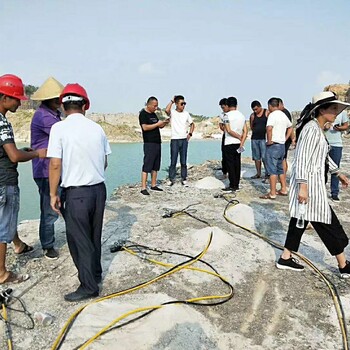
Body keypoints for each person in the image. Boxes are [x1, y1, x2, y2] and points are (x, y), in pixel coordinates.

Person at [48, 83, 111, 301]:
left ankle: (88, 286)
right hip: (98, 190)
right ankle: (95, 274)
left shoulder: (59, 128)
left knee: (79, 240)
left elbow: (55, 164)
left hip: (76, 193)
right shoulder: (97, 128)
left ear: (63, 107)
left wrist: (53, 194)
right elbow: (104, 162)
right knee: (94, 235)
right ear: (85, 106)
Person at [276, 91, 350, 277]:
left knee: (299, 222)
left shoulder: (317, 129)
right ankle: (343, 266)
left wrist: (337, 173)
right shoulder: (311, 129)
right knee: (328, 223)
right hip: (309, 187)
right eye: (333, 108)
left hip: (312, 184)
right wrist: (302, 187)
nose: (336, 112)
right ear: (321, 110)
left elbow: (322, 156)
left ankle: (285, 258)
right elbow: (301, 160)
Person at [0, 74, 47, 284]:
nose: (19, 102)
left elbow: (8, 151)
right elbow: (14, 157)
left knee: (6, 218)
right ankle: (2, 273)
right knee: (3, 227)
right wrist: (37, 154)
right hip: (4, 181)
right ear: (4, 98)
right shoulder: (2, 123)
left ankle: (17, 244)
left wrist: (21, 150)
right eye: (16, 98)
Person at [30, 77, 64, 260]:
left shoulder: (53, 114)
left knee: (59, 203)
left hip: (53, 167)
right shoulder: (43, 116)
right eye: (58, 99)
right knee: (48, 209)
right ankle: (47, 245)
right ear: (50, 99)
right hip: (45, 170)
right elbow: (64, 134)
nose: (61, 102)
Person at [260, 97, 292, 199]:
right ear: (278, 105)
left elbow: (269, 128)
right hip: (282, 145)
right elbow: (290, 127)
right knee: (280, 168)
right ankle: (283, 188)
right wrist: (285, 138)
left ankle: (272, 193)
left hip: (273, 145)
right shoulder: (283, 115)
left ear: (269, 105)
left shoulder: (272, 115)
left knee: (272, 170)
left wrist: (269, 141)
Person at [139, 97, 169, 195]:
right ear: (148, 104)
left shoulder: (154, 114)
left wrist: (164, 123)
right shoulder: (143, 114)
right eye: (154, 106)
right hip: (149, 142)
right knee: (147, 164)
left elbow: (159, 125)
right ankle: (143, 187)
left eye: (157, 106)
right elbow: (145, 127)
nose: (156, 108)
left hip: (157, 142)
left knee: (156, 165)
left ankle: (153, 185)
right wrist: (157, 124)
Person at [165, 95, 195, 187]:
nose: (183, 105)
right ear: (177, 104)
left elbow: (192, 124)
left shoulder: (186, 114)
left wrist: (190, 134)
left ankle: (184, 178)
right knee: (173, 160)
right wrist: (171, 101)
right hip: (174, 139)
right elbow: (166, 110)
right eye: (182, 103)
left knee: (183, 160)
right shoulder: (173, 113)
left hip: (184, 139)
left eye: (184, 103)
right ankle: (171, 179)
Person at [222, 96, 248, 192]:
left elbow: (228, 130)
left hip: (229, 142)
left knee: (230, 165)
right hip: (238, 144)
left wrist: (238, 137)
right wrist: (242, 141)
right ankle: (236, 184)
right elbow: (245, 130)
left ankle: (232, 184)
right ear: (236, 105)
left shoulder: (226, 116)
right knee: (237, 163)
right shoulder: (242, 116)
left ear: (228, 105)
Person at [324, 110, 349, 201]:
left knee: (335, 169)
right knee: (322, 169)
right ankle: (321, 190)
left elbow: (346, 125)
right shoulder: (323, 110)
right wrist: (324, 127)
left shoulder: (343, 112)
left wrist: (339, 128)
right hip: (324, 143)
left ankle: (334, 192)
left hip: (337, 144)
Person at [249, 100, 269, 179]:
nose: (255, 111)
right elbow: (251, 126)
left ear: (260, 107)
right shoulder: (252, 116)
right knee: (256, 157)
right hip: (255, 138)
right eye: (253, 110)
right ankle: (258, 173)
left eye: (256, 109)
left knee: (265, 157)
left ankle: (267, 173)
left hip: (264, 138)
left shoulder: (267, 113)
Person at [278, 98, 295, 175]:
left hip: (285, 139)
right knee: (282, 158)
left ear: (281, 104)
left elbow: (290, 127)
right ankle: (282, 175)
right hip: (284, 138)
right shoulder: (282, 112)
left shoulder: (285, 113)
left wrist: (292, 139)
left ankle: (283, 175)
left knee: (283, 158)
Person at [218, 98, 229, 179]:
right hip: (226, 135)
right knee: (224, 154)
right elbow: (221, 125)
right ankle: (225, 172)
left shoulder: (233, 114)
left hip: (234, 136)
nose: (223, 109)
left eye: (223, 107)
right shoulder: (222, 115)